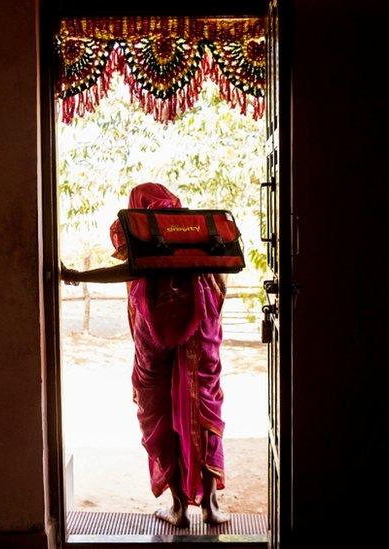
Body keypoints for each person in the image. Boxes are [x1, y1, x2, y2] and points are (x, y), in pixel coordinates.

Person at [60, 182, 229, 527]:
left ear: (137, 203)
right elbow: (222, 268)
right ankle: (210, 504)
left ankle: (179, 507)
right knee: (204, 405)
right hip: (200, 336)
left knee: (157, 413)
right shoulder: (194, 228)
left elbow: (131, 269)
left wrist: (76, 275)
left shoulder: (139, 228)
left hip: (153, 337)